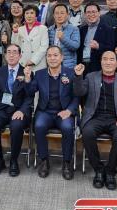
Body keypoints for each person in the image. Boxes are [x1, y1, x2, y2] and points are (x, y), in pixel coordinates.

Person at [74, 51, 117, 190]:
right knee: (87, 133)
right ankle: (98, 169)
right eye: (105, 59)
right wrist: (78, 76)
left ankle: (110, 171)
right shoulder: (91, 77)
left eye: (111, 59)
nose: (108, 62)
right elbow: (79, 92)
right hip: (95, 118)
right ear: (101, 62)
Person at [24, 46, 79, 180]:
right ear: (46, 58)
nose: (52, 58)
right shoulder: (39, 74)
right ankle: (44, 161)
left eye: (55, 55)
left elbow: (77, 96)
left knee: (67, 128)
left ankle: (67, 162)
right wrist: (27, 79)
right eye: (49, 56)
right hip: (45, 112)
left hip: (64, 112)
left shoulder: (70, 73)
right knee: (38, 126)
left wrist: (69, 110)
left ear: (62, 57)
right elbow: (30, 92)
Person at [0, 45, 33, 177]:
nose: (11, 55)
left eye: (15, 52)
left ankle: (14, 161)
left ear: (20, 55)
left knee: (16, 126)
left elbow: (30, 96)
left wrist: (22, 111)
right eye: (8, 52)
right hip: (1, 109)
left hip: (18, 109)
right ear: (5, 56)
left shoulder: (26, 71)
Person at [77, 3, 115, 74]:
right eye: (88, 12)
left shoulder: (108, 29)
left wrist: (98, 46)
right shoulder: (81, 29)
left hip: (98, 66)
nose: (91, 14)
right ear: (85, 14)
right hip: (82, 66)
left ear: (99, 13)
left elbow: (111, 48)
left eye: (94, 12)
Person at [11, 5, 49, 71]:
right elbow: (15, 45)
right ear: (24, 15)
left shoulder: (43, 28)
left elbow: (44, 47)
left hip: (38, 64)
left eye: (32, 13)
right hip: (23, 63)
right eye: (27, 13)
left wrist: (33, 61)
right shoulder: (20, 29)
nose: (29, 16)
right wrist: (15, 32)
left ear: (36, 15)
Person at [47, 4, 80, 68]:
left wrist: (63, 38)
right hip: (52, 65)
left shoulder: (74, 28)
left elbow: (75, 46)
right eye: (57, 13)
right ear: (53, 15)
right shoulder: (50, 30)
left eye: (62, 13)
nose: (59, 16)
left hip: (68, 65)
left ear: (67, 15)